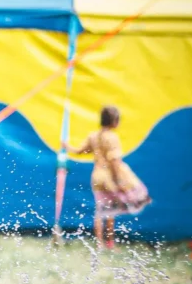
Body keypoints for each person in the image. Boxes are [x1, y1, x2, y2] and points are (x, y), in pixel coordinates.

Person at [63, 106, 151, 250]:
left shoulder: (94, 136)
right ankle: (110, 242)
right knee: (112, 210)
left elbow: (80, 151)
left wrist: (67, 146)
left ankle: (99, 243)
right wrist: (120, 180)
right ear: (114, 121)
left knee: (101, 209)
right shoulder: (112, 137)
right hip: (109, 176)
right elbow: (114, 161)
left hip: (97, 176)